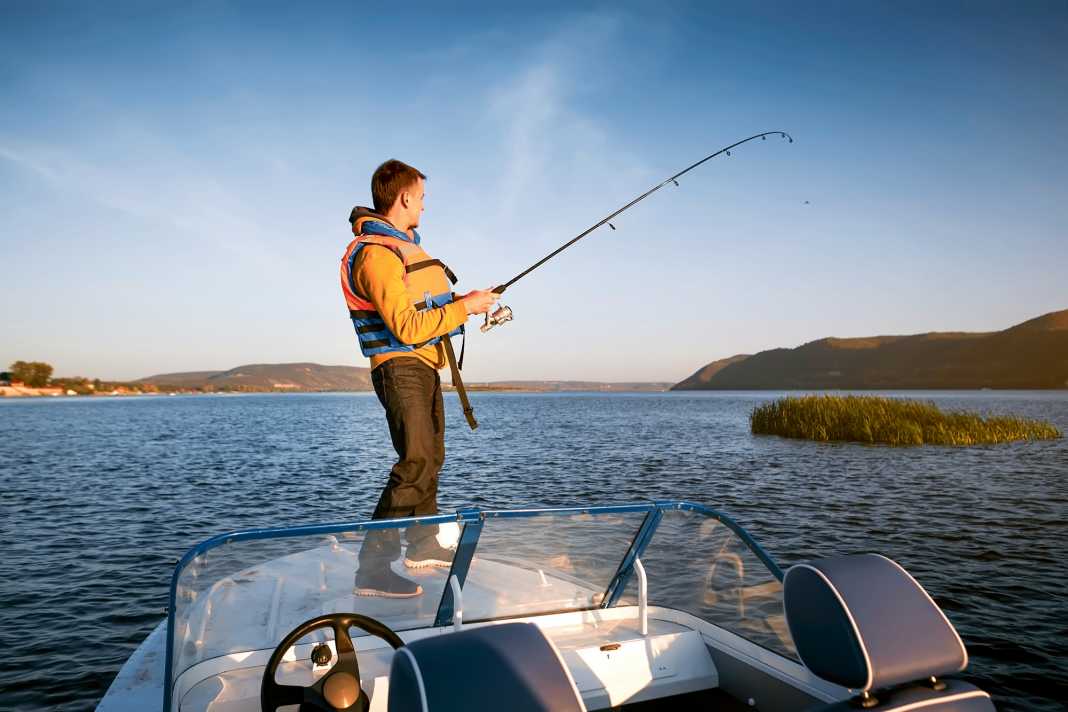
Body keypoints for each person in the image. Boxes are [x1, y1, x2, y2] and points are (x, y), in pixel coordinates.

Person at [340, 159, 498, 597]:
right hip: (399, 366)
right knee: (414, 461)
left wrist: (464, 301)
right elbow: (406, 327)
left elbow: (421, 312)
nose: (425, 207)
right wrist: (465, 308)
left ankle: (422, 543)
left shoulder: (398, 248)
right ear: (405, 197)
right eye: (422, 198)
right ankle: (371, 569)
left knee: (430, 457)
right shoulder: (375, 253)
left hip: (423, 366)